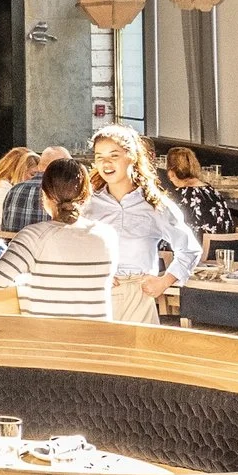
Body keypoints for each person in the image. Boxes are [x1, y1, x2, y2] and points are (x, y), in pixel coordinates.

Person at [83, 125, 205, 325]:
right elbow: (74, 248)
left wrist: (164, 282)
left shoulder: (155, 205)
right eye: (99, 157)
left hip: (138, 298)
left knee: (138, 356)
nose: (106, 163)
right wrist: (92, 271)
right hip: (96, 297)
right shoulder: (87, 204)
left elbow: (190, 249)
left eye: (114, 156)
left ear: (132, 156)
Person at [0, 158, 111, 318]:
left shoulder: (32, 237)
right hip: (96, 340)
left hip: (43, 339)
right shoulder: (107, 236)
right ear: (87, 195)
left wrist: (25, 282)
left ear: (44, 196)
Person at [0, 144, 73, 234]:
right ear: (63, 169)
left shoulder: (14, 190)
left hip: (15, 246)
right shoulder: (62, 192)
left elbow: (5, 228)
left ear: (39, 166)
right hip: (47, 246)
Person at [162, 145, 238, 236]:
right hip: (226, 247)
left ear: (171, 173)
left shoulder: (177, 197)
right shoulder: (214, 192)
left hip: (198, 249)